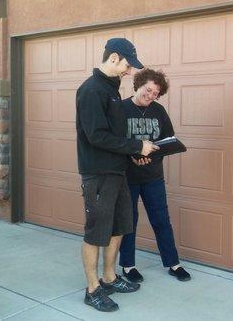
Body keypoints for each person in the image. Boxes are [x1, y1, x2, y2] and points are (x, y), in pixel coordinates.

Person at [76, 38, 159, 312]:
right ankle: (93, 289)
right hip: (98, 174)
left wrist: (134, 154)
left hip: (118, 171)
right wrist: (136, 145)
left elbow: (116, 135)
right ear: (113, 57)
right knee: (96, 232)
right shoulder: (91, 90)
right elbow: (96, 136)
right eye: (127, 64)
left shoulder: (111, 90)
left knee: (120, 226)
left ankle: (109, 277)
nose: (129, 70)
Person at [118, 68, 191, 283]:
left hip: (153, 177)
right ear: (138, 84)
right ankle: (128, 266)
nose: (151, 96)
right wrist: (133, 155)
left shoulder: (158, 111)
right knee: (128, 222)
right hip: (127, 177)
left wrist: (151, 157)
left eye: (155, 93)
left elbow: (168, 140)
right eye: (148, 90)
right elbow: (114, 141)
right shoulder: (121, 109)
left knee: (161, 220)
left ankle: (173, 263)